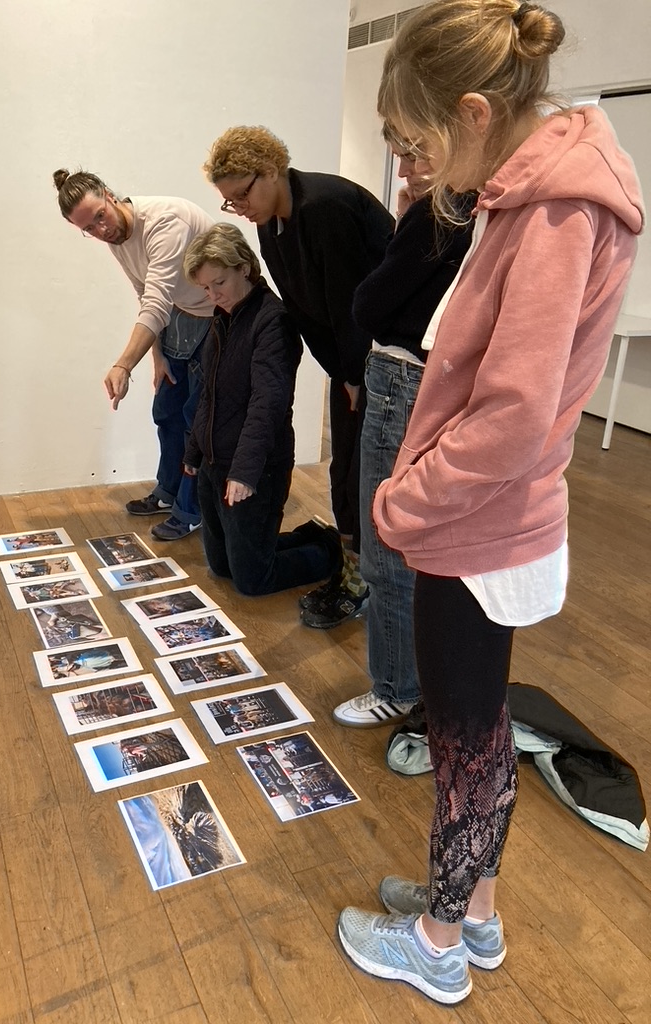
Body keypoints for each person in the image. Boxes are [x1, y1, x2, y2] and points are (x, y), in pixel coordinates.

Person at [337, 0, 642, 1006]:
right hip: (486, 518)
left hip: (476, 521)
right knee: (479, 726)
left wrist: (403, 504)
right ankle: (475, 911)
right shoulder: (545, 187)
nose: (421, 170)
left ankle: (434, 940)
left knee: (470, 737)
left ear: (473, 113)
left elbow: (509, 416)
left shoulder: (554, 208)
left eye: (421, 144)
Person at [202, 128, 395, 626]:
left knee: (363, 472)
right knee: (345, 471)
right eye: (230, 202)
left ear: (271, 169)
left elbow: (349, 301)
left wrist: (353, 373)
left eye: (243, 194)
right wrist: (342, 371)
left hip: (384, 357)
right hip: (353, 362)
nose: (240, 208)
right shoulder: (273, 223)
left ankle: (365, 582)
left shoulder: (324, 207)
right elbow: (306, 311)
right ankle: (349, 564)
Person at [332, 143, 475, 728]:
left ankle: (397, 685)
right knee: (422, 540)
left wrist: (406, 226)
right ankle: (419, 678)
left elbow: (368, 305)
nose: (407, 169)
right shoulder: (483, 207)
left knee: (387, 548)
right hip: (438, 378)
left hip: (401, 378)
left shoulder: (444, 209)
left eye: (415, 153)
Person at [53, 169, 214, 541]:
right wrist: (156, 355)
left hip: (219, 315)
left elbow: (156, 301)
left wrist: (124, 363)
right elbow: (146, 295)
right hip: (179, 316)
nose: (100, 230)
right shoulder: (117, 239)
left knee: (197, 420)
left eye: (99, 216)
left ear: (110, 195)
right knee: (167, 411)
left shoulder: (164, 221)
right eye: (88, 229)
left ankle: (192, 510)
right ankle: (168, 492)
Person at [182, 223, 342, 596]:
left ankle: (332, 550)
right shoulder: (224, 317)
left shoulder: (273, 321)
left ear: (244, 267)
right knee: (222, 567)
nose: (212, 295)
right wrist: (193, 451)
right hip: (214, 463)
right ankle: (307, 536)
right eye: (205, 288)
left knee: (253, 581)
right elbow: (209, 392)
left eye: (218, 283)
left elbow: (268, 403)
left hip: (255, 467)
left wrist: (245, 472)